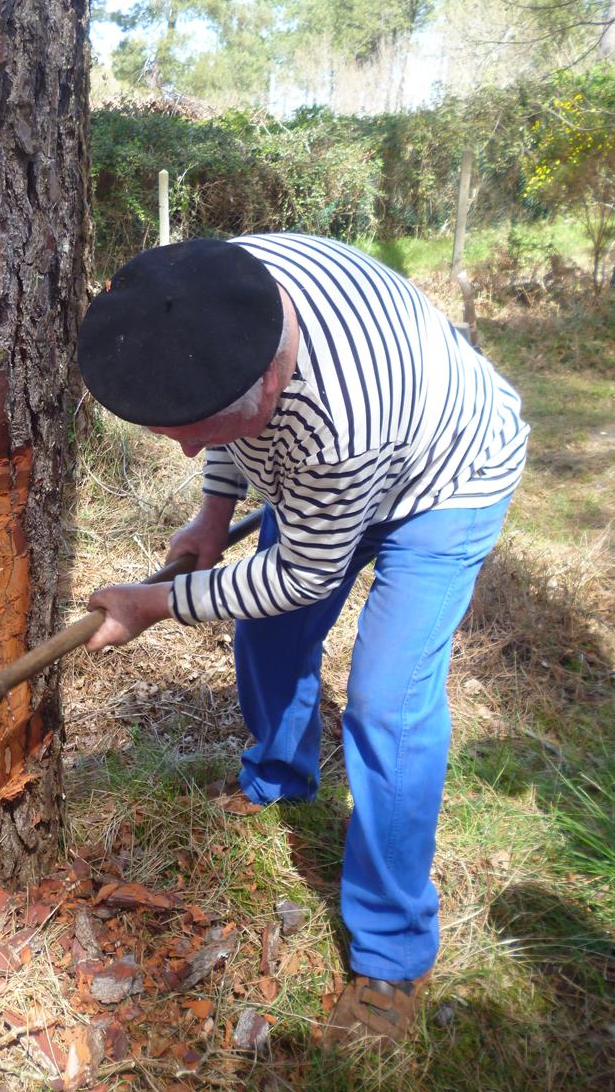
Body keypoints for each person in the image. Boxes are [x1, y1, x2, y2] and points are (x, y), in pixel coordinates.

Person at [76, 234, 529, 1046]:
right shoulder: (211, 291)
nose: (184, 447)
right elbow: (220, 420)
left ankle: (391, 955)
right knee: (268, 638)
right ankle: (279, 778)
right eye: (171, 431)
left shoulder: (337, 421)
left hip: (445, 476)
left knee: (388, 704)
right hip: (326, 463)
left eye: (200, 429)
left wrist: (156, 603)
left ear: (274, 377)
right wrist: (214, 511)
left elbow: (303, 577)